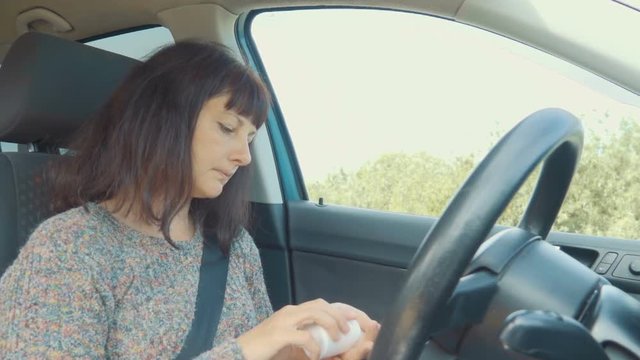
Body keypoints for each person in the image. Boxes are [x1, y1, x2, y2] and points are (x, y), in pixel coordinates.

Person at [0, 40, 379, 359]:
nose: (244, 157)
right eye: (228, 127)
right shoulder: (67, 250)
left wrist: (312, 348)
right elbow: (246, 350)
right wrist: (244, 350)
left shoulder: (233, 245)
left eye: (249, 139)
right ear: (161, 118)